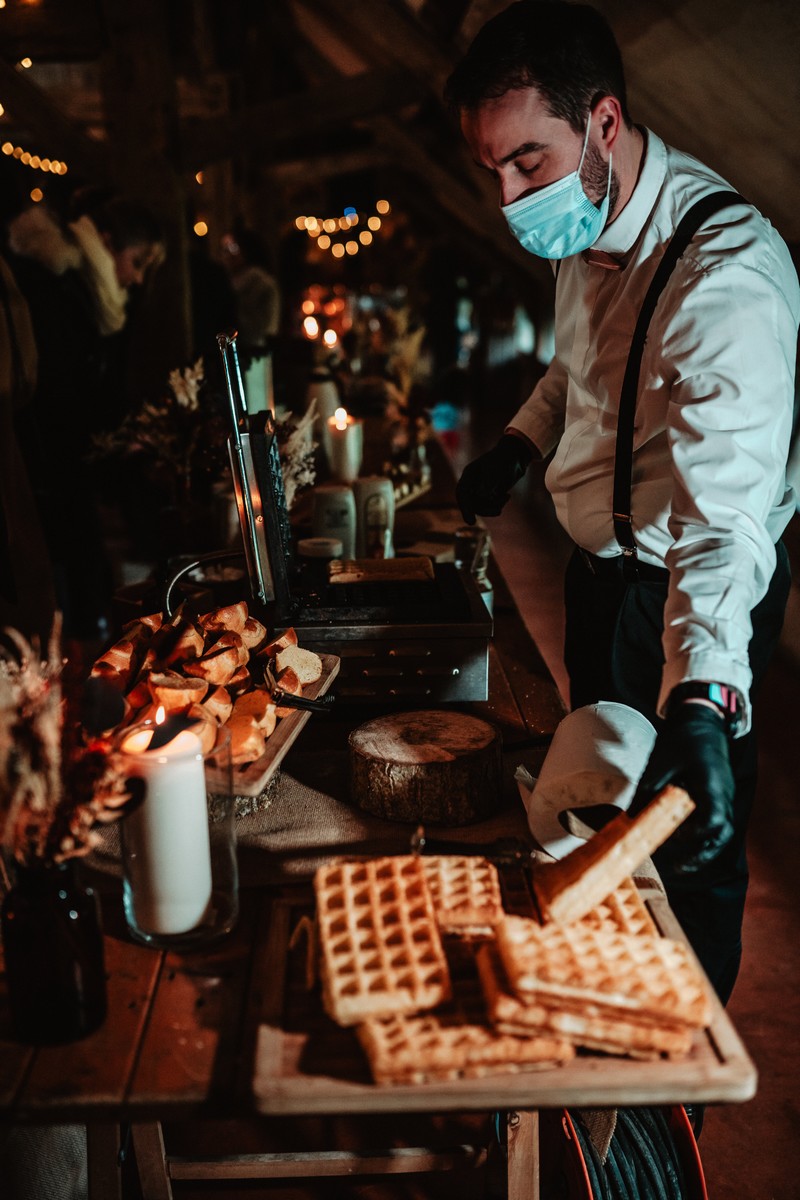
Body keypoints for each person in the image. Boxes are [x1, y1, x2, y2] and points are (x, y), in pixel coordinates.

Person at [446, 2, 800, 1007]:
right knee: (601, 807)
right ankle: (603, 1002)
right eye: (492, 170)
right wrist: (518, 441)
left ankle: (677, 1068)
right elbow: (580, 368)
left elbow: (718, 522)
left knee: (684, 846)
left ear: (601, 121)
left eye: (526, 161)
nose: (509, 196)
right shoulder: (584, 215)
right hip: (602, 576)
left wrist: (701, 695)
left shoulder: (723, 276)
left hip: (687, 597)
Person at [6, 194, 163, 639]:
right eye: (137, 261)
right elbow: (59, 394)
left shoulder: (85, 289)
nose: (135, 279)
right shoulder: (57, 285)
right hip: (50, 469)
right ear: (108, 243)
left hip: (64, 466)